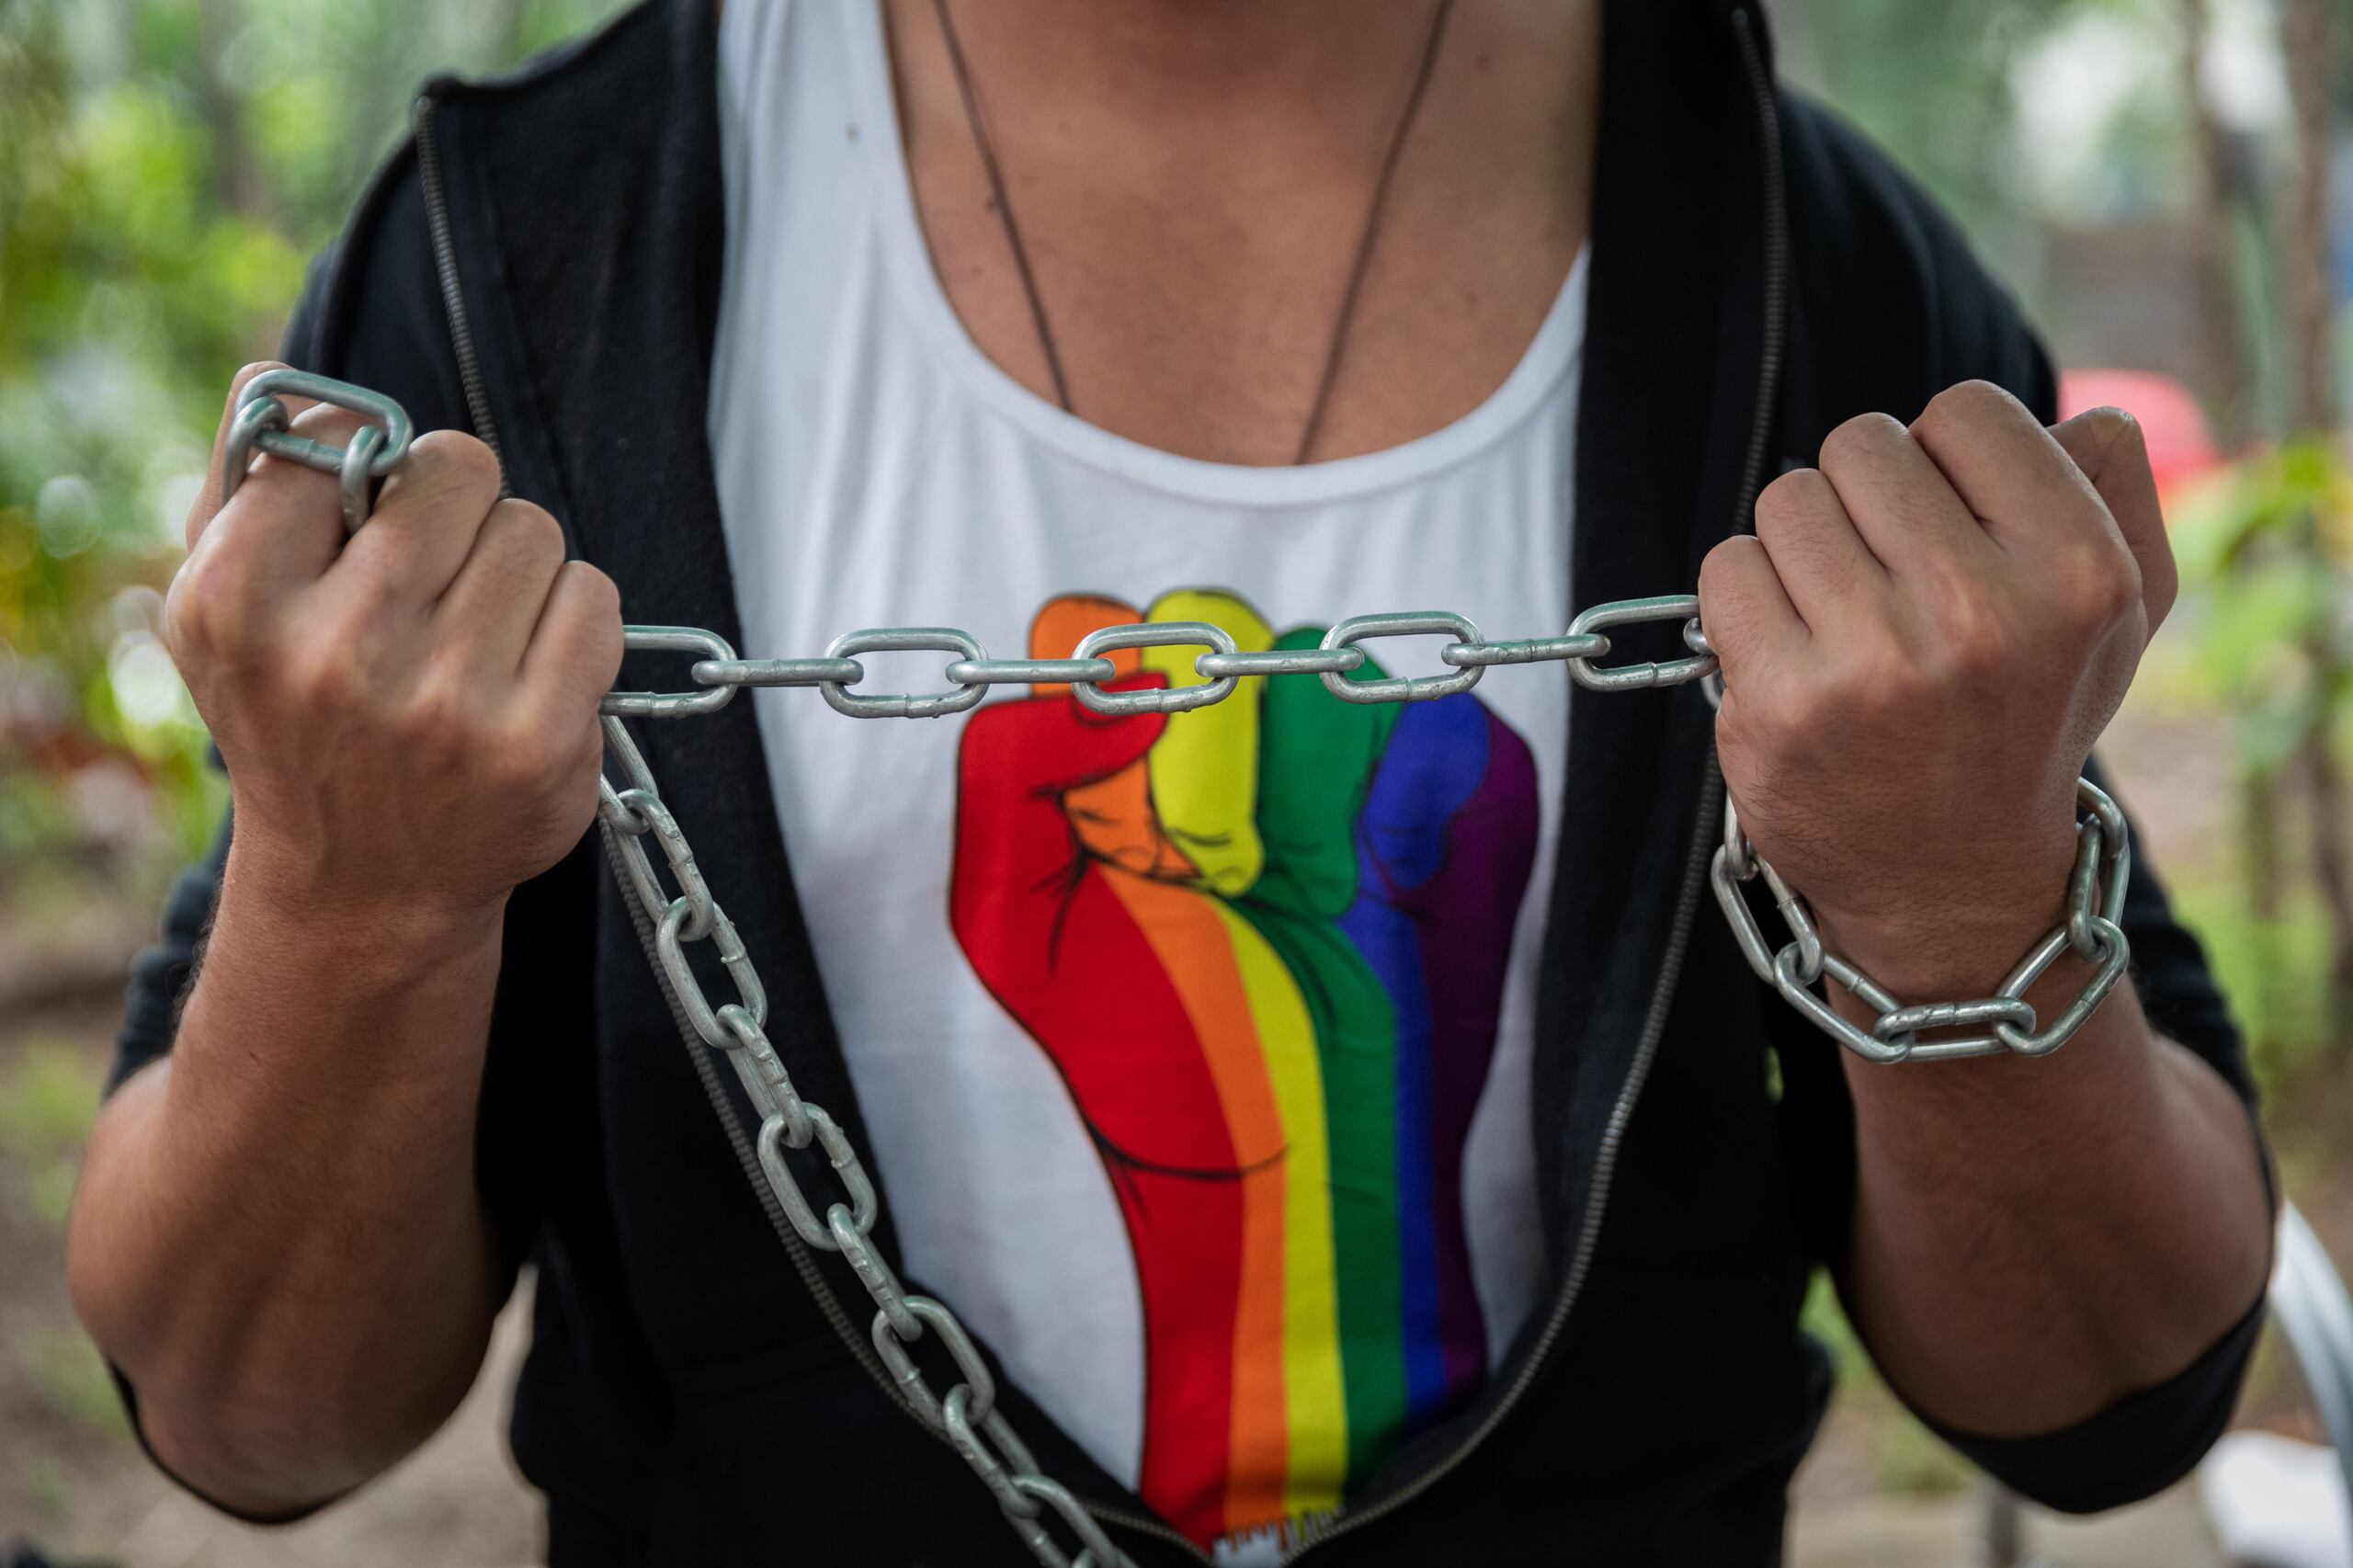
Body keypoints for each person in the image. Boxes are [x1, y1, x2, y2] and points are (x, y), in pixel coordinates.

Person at [65, 0, 2276, 1563]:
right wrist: (357, 908)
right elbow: (250, 1416)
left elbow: (2106, 1396)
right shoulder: (520, 257)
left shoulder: (1818, 282)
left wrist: (1953, 903)